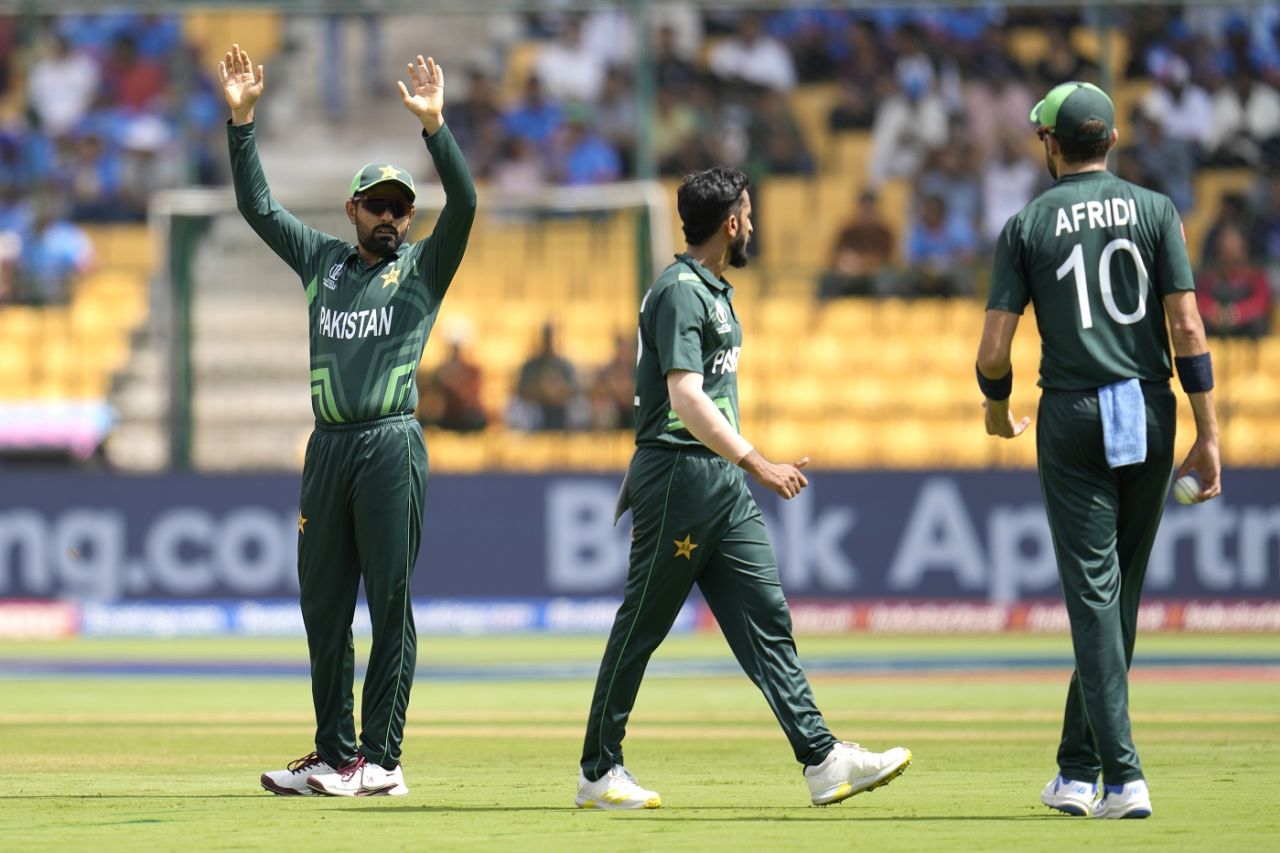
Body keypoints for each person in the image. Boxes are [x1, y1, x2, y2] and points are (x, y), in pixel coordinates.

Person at [574, 166, 911, 810]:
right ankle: (598, 770)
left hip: (719, 481)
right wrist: (759, 460)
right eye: (749, 213)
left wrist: (741, 466)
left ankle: (820, 757)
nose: (753, 224)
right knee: (642, 627)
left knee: (767, 619)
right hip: (679, 474)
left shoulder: (713, 290)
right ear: (731, 222)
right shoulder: (679, 291)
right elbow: (685, 397)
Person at [219, 44, 476, 797]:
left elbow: (465, 205)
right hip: (327, 447)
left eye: (402, 207)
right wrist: (241, 122)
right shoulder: (322, 261)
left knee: (389, 600)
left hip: (391, 442)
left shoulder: (424, 268)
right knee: (323, 605)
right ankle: (336, 754)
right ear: (353, 210)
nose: (392, 216)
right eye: (379, 205)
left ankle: (382, 760)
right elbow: (258, 208)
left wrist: (436, 130)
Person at [977, 82, 1221, 821]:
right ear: (1110, 141)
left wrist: (994, 408)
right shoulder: (1156, 210)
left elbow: (993, 347)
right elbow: (1187, 328)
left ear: (1051, 144)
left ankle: (1122, 775)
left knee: (1091, 592)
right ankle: (1077, 769)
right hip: (1146, 406)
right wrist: (1208, 433)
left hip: (1074, 409)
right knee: (1119, 597)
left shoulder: (1027, 224)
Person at [1196, 225, 1272, 338]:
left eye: (1233, 244)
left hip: (1247, 329)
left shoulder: (1255, 274)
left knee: (1257, 324)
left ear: (1243, 247)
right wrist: (1215, 312)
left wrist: (1237, 313)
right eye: (1225, 244)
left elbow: (1261, 302)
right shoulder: (1209, 276)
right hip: (1216, 326)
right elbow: (1200, 299)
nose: (1229, 249)